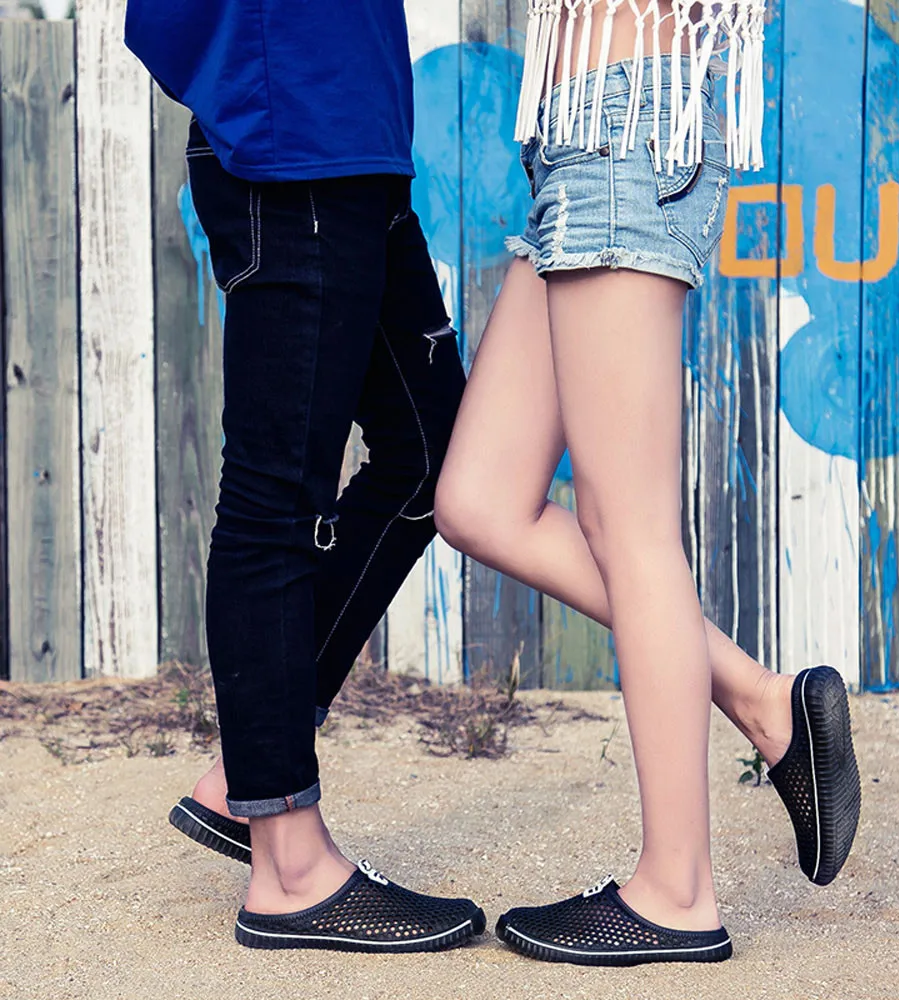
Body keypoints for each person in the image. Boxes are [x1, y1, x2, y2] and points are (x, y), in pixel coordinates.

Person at [434, 0, 861, 966]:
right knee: (480, 499)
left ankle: (678, 892)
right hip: (582, 136)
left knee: (629, 530)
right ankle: (765, 701)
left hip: (622, 128)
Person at [124, 0, 486, 952]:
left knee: (432, 455)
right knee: (276, 497)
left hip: (356, 135)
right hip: (293, 135)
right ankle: (288, 865)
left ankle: (248, 774)